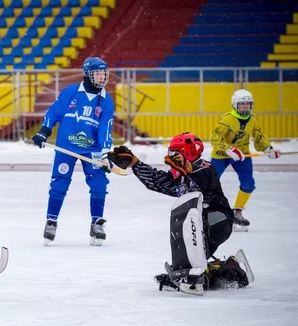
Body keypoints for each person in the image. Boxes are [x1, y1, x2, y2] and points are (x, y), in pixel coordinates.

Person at [108, 132, 250, 295]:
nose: (171, 155)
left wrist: (186, 172)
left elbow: (200, 192)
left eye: (175, 151)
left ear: (187, 151)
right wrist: (134, 163)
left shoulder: (205, 167)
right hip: (203, 220)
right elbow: (159, 182)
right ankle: (198, 272)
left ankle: (194, 275)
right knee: (183, 230)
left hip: (218, 220)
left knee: (188, 236)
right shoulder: (182, 171)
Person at [31, 57, 115, 246]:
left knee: (99, 183)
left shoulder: (106, 101)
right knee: (59, 184)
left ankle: (97, 223)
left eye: (103, 73)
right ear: (87, 74)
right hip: (65, 147)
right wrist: (44, 131)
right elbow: (53, 114)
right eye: (97, 73)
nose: (101, 77)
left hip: (91, 149)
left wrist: (105, 152)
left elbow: (105, 128)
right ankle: (51, 221)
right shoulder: (70, 92)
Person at [210, 89, 281, 232]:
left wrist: (268, 149)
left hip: (243, 156)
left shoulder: (253, 119)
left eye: (247, 104)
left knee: (248, 184)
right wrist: (229, 149)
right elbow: (215, 139)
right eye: (241, 104)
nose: (245, 107)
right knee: (210, 184)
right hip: (221, 155)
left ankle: (237, 213)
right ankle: (210, 213)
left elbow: (259, 137)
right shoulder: (227, 119)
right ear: (235, 105)